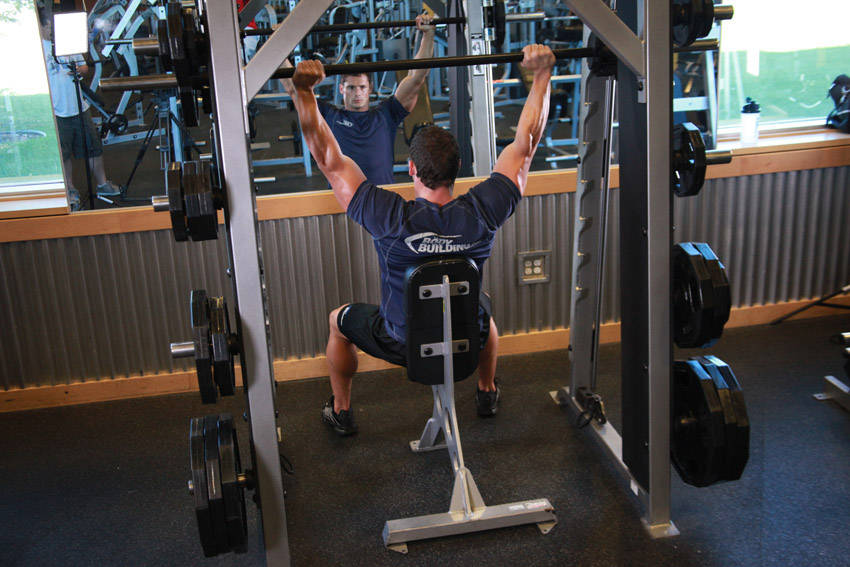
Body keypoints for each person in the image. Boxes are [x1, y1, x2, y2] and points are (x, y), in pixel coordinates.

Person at [290, 44, 555, 436]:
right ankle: (486, 389)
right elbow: (527, 143)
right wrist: (543, 75)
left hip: (403, 344)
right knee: (483, 307)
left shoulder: (390, 217)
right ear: (458, 168)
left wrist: (303, 93)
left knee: (338, 322)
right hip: (465, 341)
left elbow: (328, 158)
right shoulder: (484, 211)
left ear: (411, 168)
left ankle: (341, 411)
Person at [281, 14, 436, 185]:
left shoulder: (386, 114)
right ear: (341, 89)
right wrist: (277, 45)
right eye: (351, 88)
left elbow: (417, 77)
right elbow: (294, 90)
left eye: (362, 87)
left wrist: (428, 35)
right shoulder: (330, 116)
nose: (357, 93)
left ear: (369, 89)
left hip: (383, 199)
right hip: (345, 202)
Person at [38, 7, 121, 210]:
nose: (51, 28)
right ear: (40, 25)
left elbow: (84, 67)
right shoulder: (37, 49)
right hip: (56, 111)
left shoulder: (66, 43)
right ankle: (70, 190)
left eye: (52, 24)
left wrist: (78, 69)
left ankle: (103, 184)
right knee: (63, 153)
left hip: (79, 106)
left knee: (93, 147)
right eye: (47, 25)